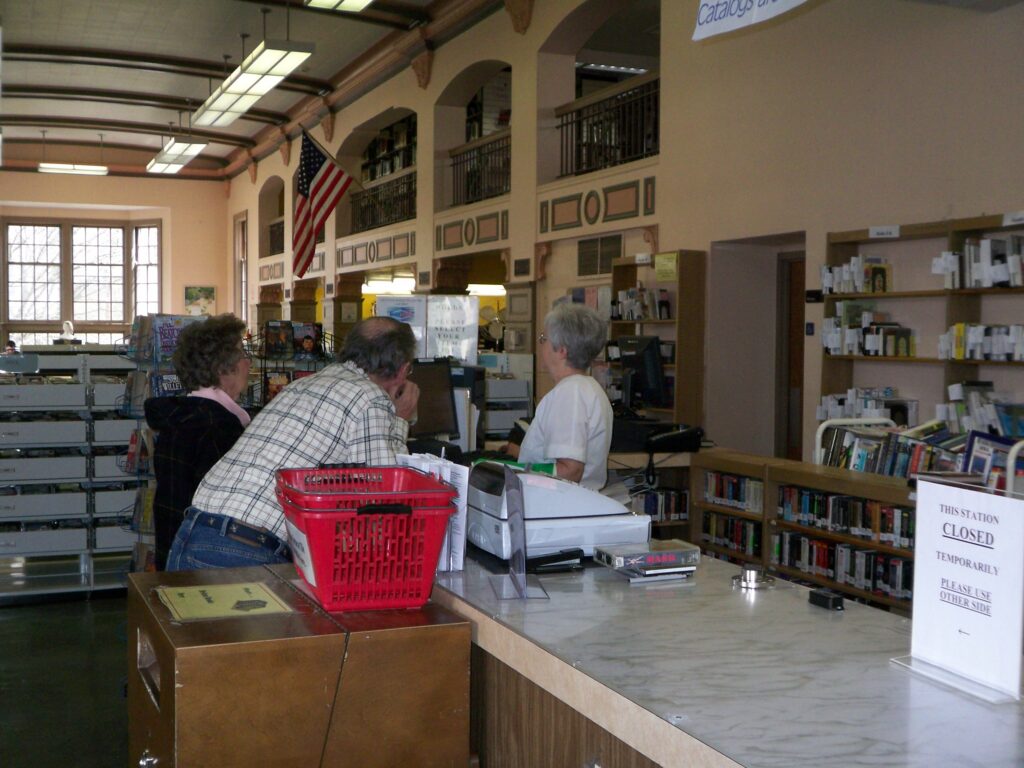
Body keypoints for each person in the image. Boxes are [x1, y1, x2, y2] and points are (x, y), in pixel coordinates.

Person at [166, 316, 420, 571]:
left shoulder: (302, 384)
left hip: (193, 531)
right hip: (241, 547)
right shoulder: (370, 398)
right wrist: (399, 419)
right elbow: (386, 501)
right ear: (402, 370)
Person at [144, 314, 251, 570]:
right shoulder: (217, 427)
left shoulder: (183, 416)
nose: (249, 362)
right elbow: (224, 512)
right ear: (223, 368)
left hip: (174, 551)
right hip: (202, 561)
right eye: (243, 353)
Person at [506, 303, 613, 490]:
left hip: (557, 503)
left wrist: (515, 471)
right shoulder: (588, 388)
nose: (541, 344)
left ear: (562, 350)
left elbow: (570, 471)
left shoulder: (570, 393)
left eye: (543, 339)